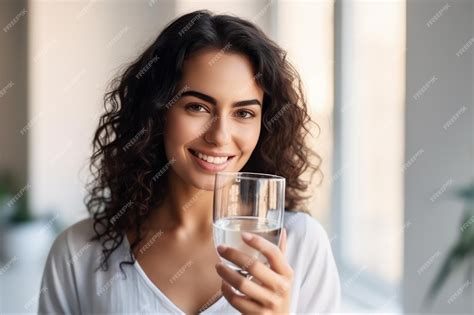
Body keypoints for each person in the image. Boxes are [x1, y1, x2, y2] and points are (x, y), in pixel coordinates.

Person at [38, 9, 341, 314]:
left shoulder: (301, 244)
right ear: (156, 113)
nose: (220, 136)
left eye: (244, 113)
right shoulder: (78, 252)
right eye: (197, 107)